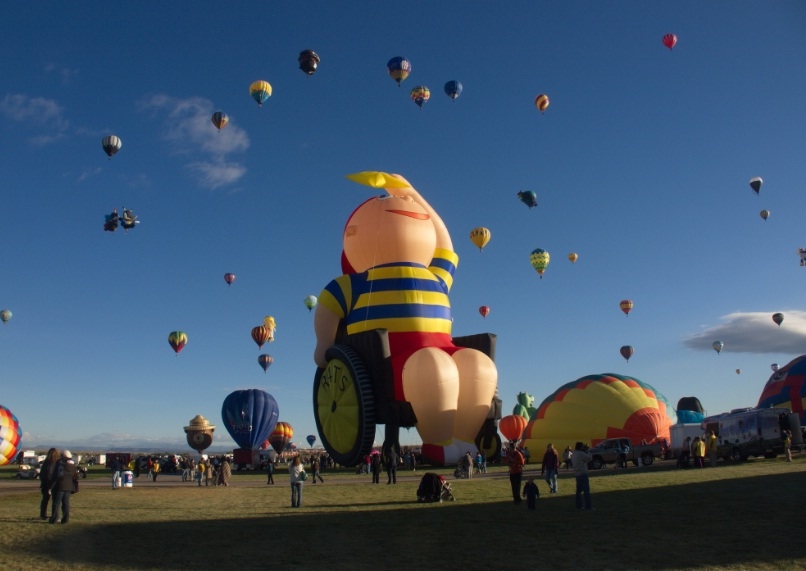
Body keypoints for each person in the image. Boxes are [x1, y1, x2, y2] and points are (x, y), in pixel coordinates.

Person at [49, 450, 77, 524]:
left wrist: (51, 486)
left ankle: (54, 519)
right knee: (66, 504)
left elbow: (56, 475)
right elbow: (75, 476)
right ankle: (65, 520)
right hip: (69, 487)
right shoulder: (72, 465)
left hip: (60, 486)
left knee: (56, 503)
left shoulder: (60, 464)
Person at [571, 441, 593, 510]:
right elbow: (589, 458)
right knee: (586, 491)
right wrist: (587, 450)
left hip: (577, 474)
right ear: (580, 447)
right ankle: (588, 507)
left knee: (578, 491)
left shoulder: (574, 453)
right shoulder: (581, 453)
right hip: (583, 473)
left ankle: (579, 506)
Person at [39, 447, 60, 520]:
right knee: (55, 501)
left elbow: (42, 474)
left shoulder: (46, 462)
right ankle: (54, 516)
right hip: (52, 484)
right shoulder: (56, 463)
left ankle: (43, 514)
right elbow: (50, 474)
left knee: (45, 500)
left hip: (45, 484)